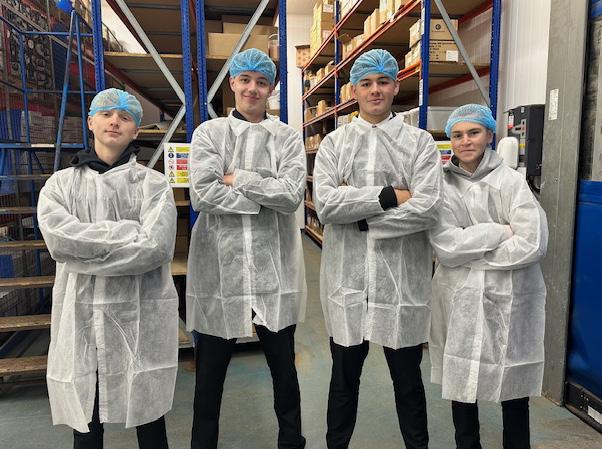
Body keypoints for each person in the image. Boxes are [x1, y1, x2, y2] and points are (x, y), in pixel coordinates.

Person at [313, 49, 443, 449]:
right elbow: (326, 205)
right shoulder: (335, 143)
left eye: (383, 82)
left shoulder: (419, 143)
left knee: (408, 383)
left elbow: (428, 207)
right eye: (366, 83)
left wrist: (362, 216)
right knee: (343, 381)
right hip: (347, 284)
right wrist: (392, 195)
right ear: (354, 90)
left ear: (396, 86)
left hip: (401, 284)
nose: (375, 90)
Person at [37, 88, 179, 449]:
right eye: (106, 113)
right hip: (81, 321)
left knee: (149, 417)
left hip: (139, 321)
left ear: (135, 130)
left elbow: (155, 248)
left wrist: (86, 248)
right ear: (90, 122)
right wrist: (129, 231)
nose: (114, 121)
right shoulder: (60, 186)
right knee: (86, 421)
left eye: (125, 116)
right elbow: (60, 243)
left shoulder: (153, 185)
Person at [186, 48, 307, 449]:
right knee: (209, 378)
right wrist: (264, 192)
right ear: (233, 83)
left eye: (262, 82)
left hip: (274, 273)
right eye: (246, 80)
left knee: (284, 373)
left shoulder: (287, 137)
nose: (253, 88)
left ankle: (291, 441)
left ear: (271, 88)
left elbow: (291, 197)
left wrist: (236, 178)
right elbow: (203, 195)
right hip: (221, 273)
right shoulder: (209, 134)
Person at [428, 104, 548, 449]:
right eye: (457, 135)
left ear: (490, 135)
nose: (465, 141)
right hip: (459, 299)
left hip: (509, 300)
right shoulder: (442, 185)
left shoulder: (511, 181)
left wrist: (470, 254)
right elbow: (446, 246)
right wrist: (499, 231)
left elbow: (533, 244)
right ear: (450, 140)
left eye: (473, 132)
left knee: (513, 385)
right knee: (462, 383)